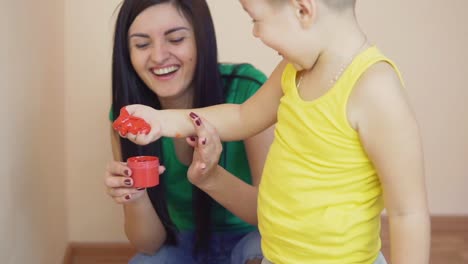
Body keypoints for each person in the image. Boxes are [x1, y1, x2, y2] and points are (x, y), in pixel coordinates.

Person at [118, 0, 432, 263]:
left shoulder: (374, 89)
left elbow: (408, 213)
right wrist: (163, 120)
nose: (255, 33)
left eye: (257, 20)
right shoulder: (293, 71)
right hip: (278, 255)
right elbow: (241, 117)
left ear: (302, 10)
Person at [104, 0, 274, 263]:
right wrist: (134, 197)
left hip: (253, 236)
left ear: (201, 40)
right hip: (180, 242)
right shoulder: (128, 119)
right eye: (141, 44)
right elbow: (149, 245)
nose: (159, 56)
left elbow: (272, 215)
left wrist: (211, 176)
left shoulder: (249, 93)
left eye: (175, 39)